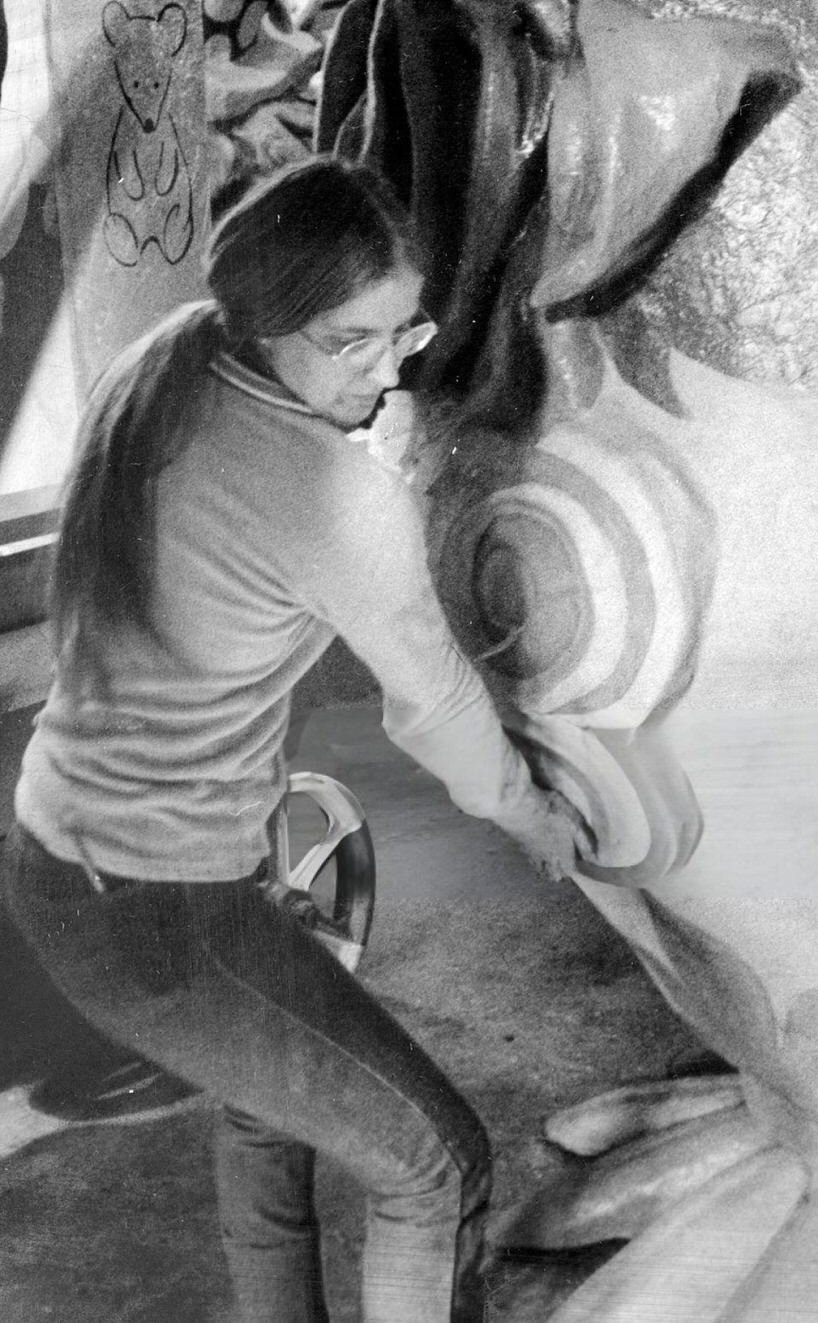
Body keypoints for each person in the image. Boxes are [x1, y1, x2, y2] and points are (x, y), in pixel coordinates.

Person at [0, 154, 584, 1323]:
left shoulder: (162, 360)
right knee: (435, 1163)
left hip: (58, 849)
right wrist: (542, 821)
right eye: (348, 342)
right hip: (160, 905)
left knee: (273, 1106)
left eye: (398, 334)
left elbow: (225, 540)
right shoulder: (335, 496)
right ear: (269, 322)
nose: (380, 371)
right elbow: (440, 707)